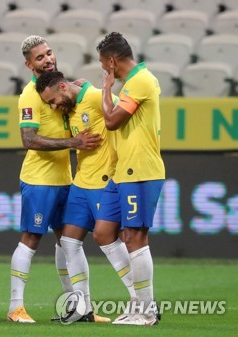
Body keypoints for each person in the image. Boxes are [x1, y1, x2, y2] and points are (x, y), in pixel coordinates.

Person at [7, 35, 103, 324]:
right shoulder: (29, 95)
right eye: (40, 57)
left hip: (64, 178)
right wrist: (73, 143)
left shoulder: (59, 86)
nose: (48, 59)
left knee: (68, 242)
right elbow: (28, 139)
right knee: (31, 238)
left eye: (49, 53)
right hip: (39, 179)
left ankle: (78, 307)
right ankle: (15, 308)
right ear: (29, 64)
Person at [35, 70, 122, 323]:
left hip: (105, 181)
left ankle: (141, 301)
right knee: (68, 241)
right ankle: (83, 306)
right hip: (81, 183)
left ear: (63, 87)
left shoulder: (96, 97)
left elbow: (124, 117)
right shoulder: (71, 108)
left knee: (109, 240)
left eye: (53, 100)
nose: (53, 106)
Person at [93, 32, 165, 326]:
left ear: (111, 61)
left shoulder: (140, 81)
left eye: (102, 64)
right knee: (103, 232)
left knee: (136, 237)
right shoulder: (134, 83)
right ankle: (137, 302)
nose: (103, 70)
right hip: (123, 171)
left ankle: (146, 311)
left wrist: (105, 90)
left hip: (141, 170)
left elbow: (111, 121)